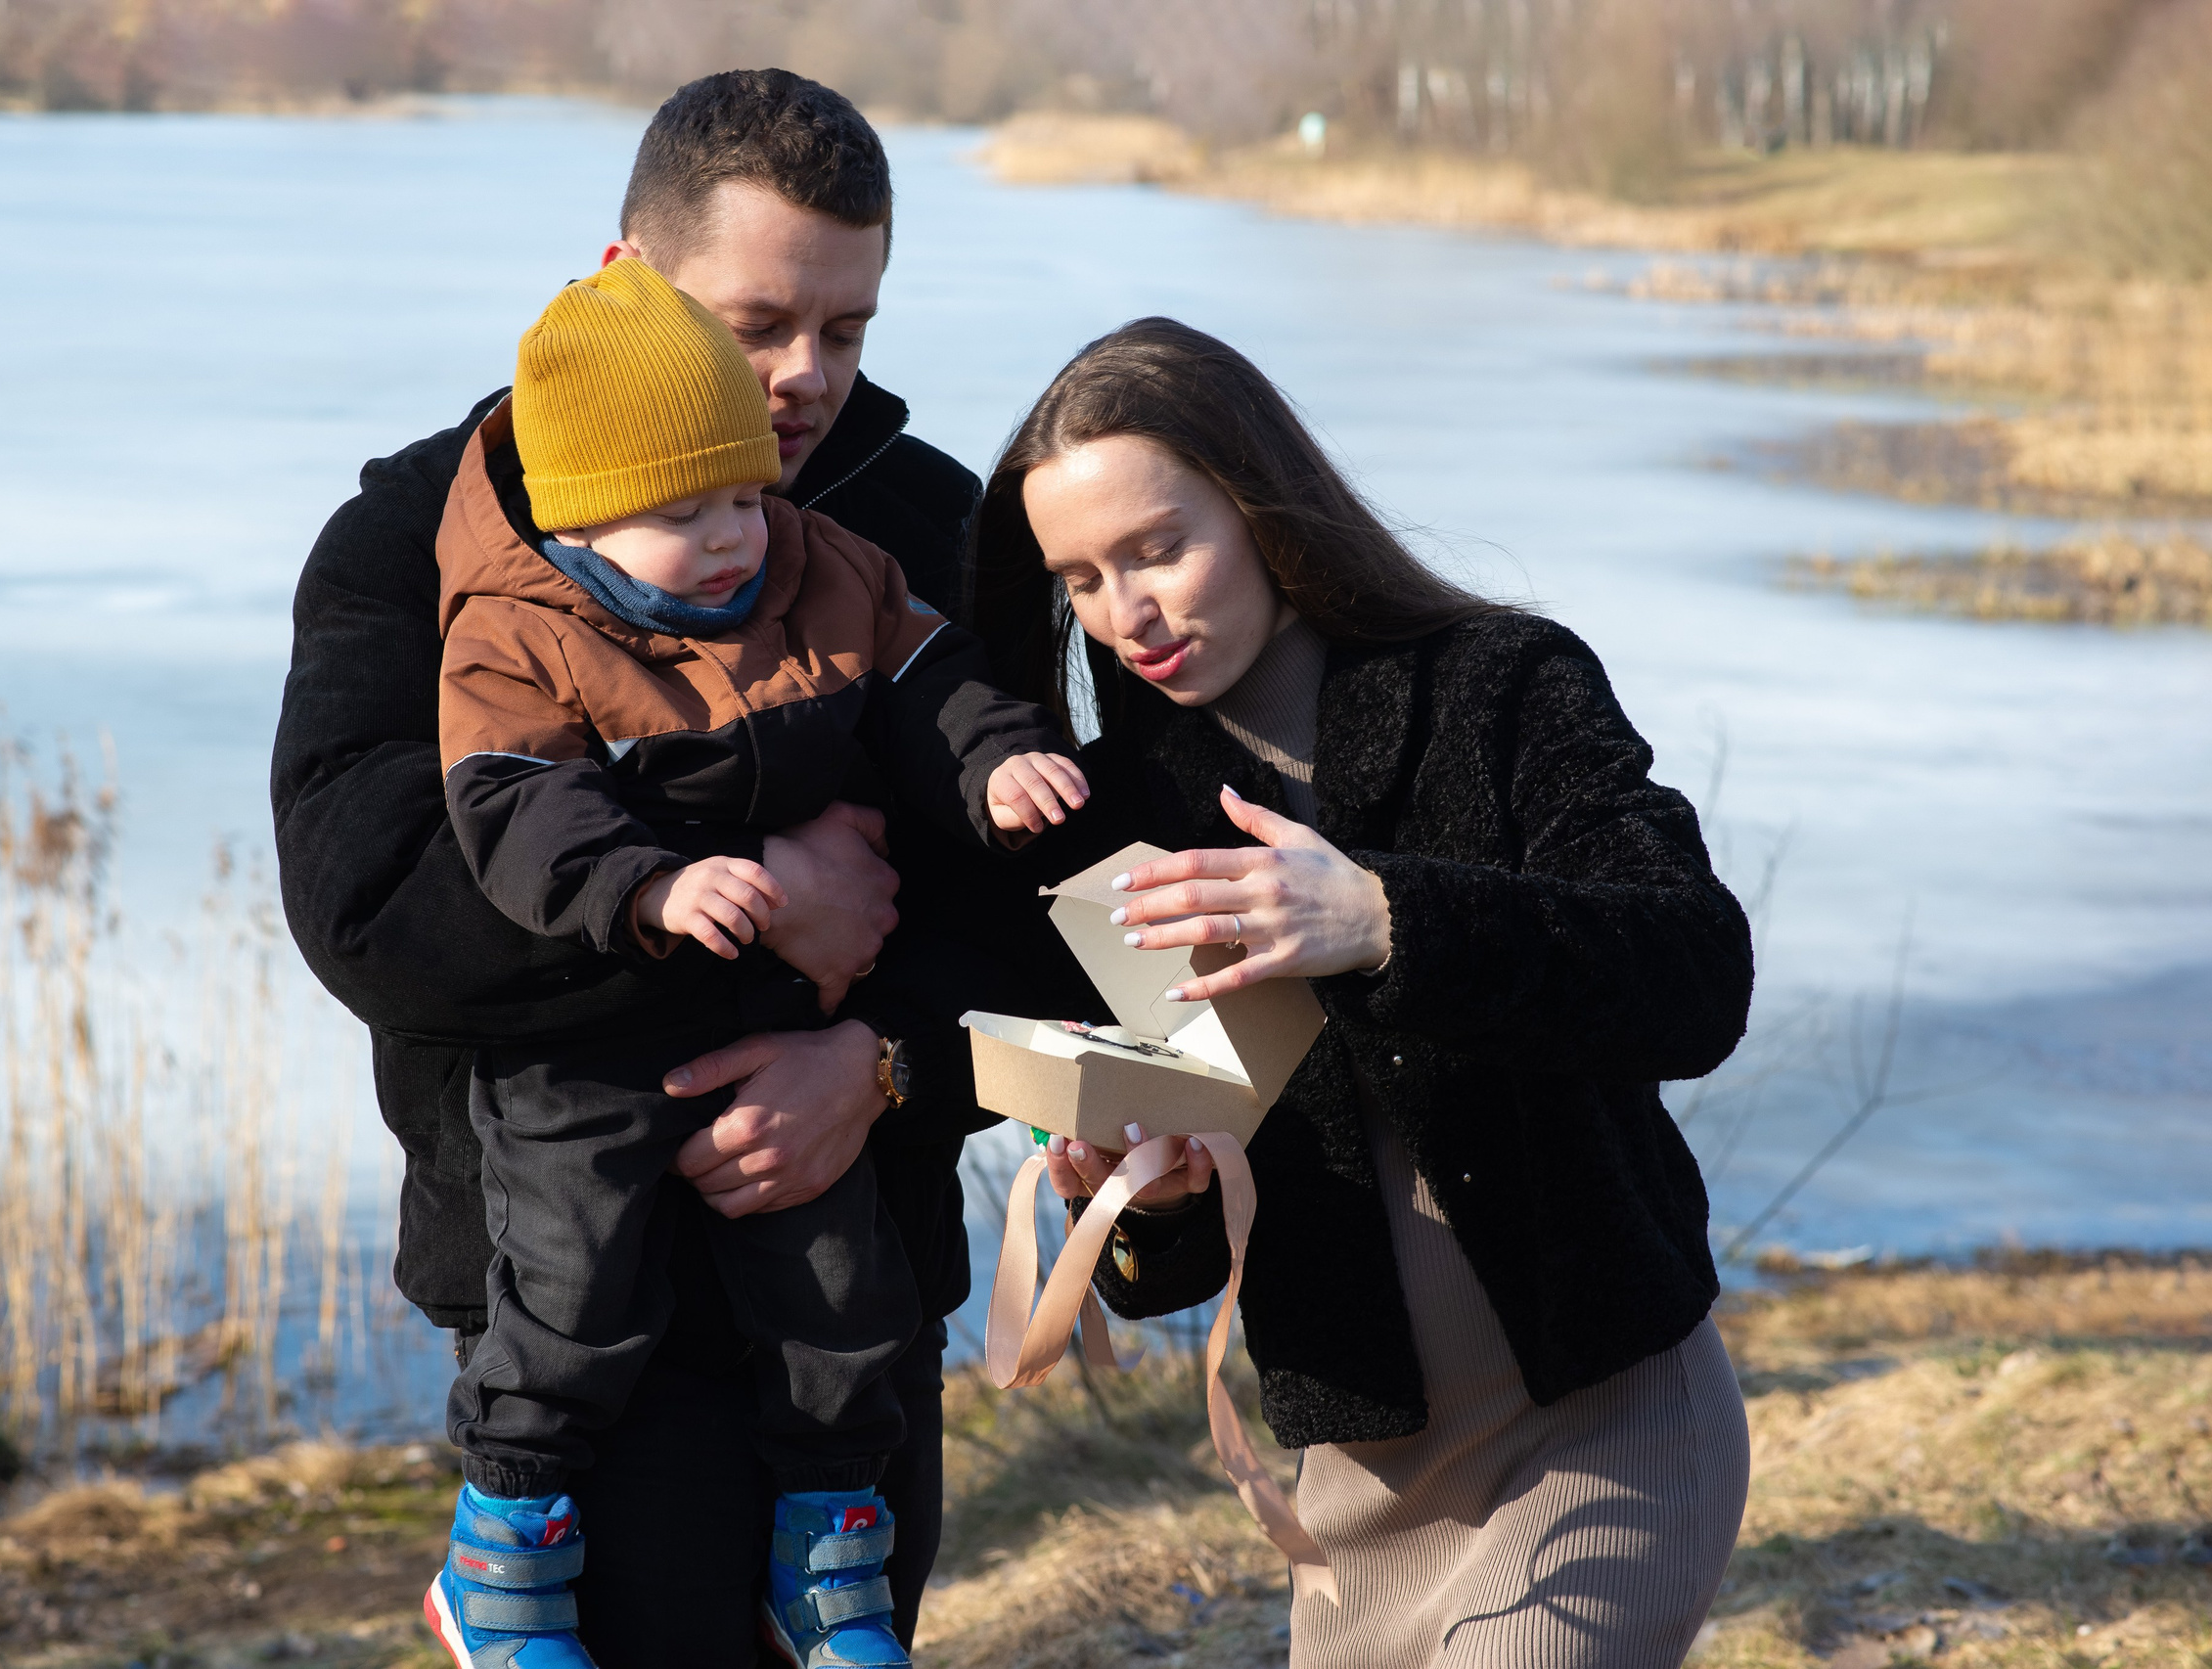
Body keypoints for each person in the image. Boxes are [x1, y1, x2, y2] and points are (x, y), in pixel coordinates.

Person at [272, 71, 1090, 1664]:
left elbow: (1043, 914)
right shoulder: (421, 534)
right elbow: (371, 907)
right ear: (623, 278)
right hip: (567, 1298)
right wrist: (769, 892)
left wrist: (884, 1062)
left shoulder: (924, 530)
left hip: (854, 1297)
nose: (805, 379)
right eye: (759, 322)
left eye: (846, 329)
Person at [968, 317, 1756, 1669]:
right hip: (1352, 1490)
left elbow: (1695, 974)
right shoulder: (1125, 813)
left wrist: (1384, 915)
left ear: (1265, 503)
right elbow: (1192, 1252)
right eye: (1082, 577)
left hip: (1605, 1421)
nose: (1128, 610)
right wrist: (1148, 1195)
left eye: (1160, 545)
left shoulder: (1501, 686)